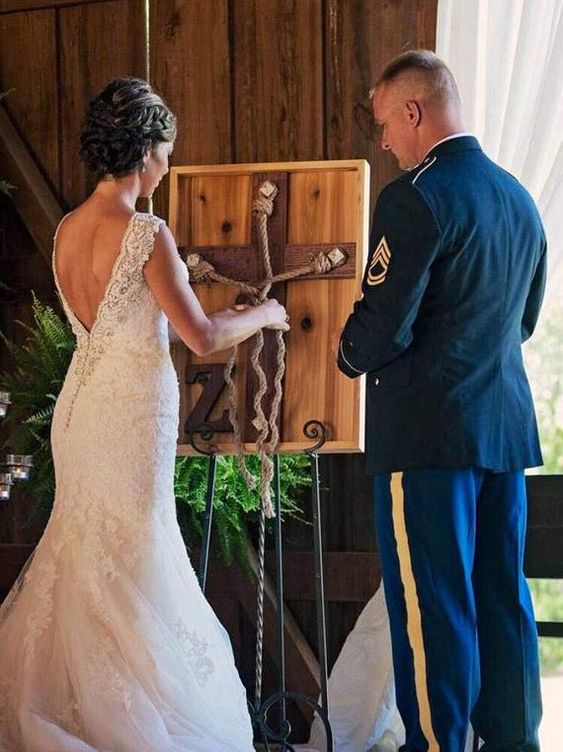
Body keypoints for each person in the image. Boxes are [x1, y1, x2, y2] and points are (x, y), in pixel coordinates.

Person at [0, 77, 288, 752]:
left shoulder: (67, 229)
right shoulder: (145, 233)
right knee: (134, 547)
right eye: (166, 152)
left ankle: (69, 702)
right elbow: (201, 337)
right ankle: (130, 715)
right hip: (130, 412)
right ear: (146, 151)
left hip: (80, 407)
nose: (167, 165)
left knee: (83, 544)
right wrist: (264, 314)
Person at [337, 50, 546, 752]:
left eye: (384, 125)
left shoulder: (414, 197)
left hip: (426, 437)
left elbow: (381, 325)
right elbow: (521, 323)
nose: (385, 142)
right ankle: (514, 742)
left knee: (433, 607)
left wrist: (343, 354)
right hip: (503, 430)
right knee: (501, 599)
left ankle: (436, 745)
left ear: (413, 111)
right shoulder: (519, 198)